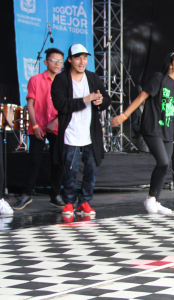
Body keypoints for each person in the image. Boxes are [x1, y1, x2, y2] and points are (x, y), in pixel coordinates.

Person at [111, 52, 174, 214]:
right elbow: (140, 98)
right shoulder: (158, 78)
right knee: (163, 161)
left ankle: (155, 200)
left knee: (165, 165)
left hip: (168, 129)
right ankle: (151, 198)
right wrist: (123, 116)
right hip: (152, 127)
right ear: (171, 64)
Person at [51, 44, 111, 216]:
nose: (82, 61)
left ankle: (85, 201)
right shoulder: (61, 79)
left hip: (90, 133)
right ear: (70, 60)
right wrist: (86, 99)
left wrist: (100, 102)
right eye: (78, 57)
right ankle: (69, 201)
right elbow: (60, 104)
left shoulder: (92, 78)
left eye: (85, 57)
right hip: (70, 132)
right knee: (70, 169)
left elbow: (107, 99)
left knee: (92, 168)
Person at [13, 48, 65, 210]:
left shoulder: (64, 82)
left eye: (60, 61)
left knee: (58, 161)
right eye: (53, 60)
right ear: (46, 62)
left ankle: (55, 195)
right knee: (33, 160)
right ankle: (27, 193)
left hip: (56, 126)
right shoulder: (35, 79)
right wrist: (35, 126)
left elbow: (66, 107)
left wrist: (55, 122)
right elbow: (30, 103)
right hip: (38, 126)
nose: (57, 64)